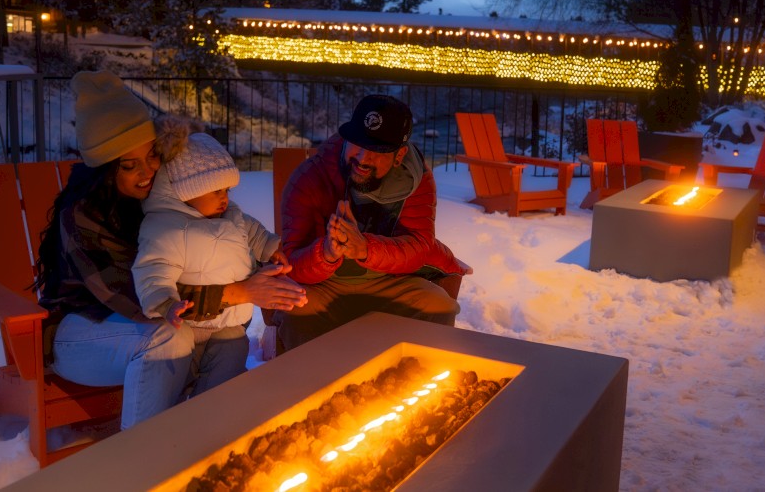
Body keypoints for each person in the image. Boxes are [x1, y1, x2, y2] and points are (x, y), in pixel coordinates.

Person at [33, 71, 306, 429]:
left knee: (227, 338)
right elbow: (141, 299)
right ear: (104, 167)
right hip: (82, 333)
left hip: (151, 331)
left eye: (151, 156)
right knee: (169, 335)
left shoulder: (158, 197)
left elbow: (211, 244)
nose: (147, 172)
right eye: (129, 165)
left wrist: (263, 263)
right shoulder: (84, 216)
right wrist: (241, 292)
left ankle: (203, 436)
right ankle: (148, 459)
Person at [276, 94, 466, 351]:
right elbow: (292, 262)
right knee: (296, 310)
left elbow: (419, 246)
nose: (362, 158)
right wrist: (327, 253)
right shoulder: (311, 177)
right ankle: (314, 382)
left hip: (390, 281)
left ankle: (412, 377)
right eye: (356, 144)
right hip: (326, 285)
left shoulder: (416, 180)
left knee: (438, 306)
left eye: (376, 151)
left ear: (399, 156)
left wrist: (365, 248)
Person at [132, 131, 288, 395]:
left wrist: (270, 247)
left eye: (227, 190)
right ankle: (186, 416)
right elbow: (152, 272)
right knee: (181, 374)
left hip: (228, 323)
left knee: (232, 359)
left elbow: (253, 231)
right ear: (187, 190)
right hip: (189, 327)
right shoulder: (165, 228)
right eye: (216, 190)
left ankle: (219, 408)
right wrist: (167, 303)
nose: (225, 197)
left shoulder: (230, 214)